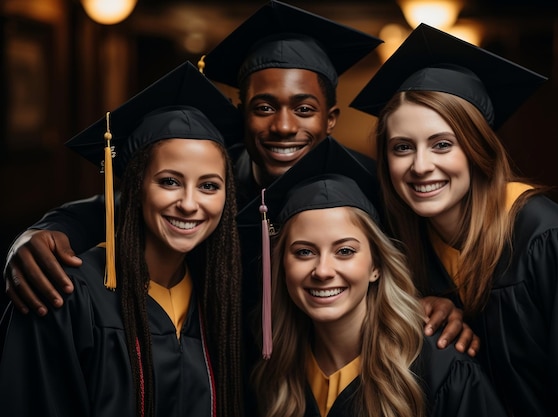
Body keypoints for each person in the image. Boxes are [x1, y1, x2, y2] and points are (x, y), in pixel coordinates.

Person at [3, 1, 476, 355]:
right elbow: (118, 211)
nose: (285, 127)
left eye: (304, 110)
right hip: (223, 377)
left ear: (331, 119)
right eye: (264, 108)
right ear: (241, 114)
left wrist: (440, 303)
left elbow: (419, 267)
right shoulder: (211, 182)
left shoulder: (371, 189)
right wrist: (41, 233)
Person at [350, 23, 558, 416]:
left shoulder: (546, 238)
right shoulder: (407, 243)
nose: (421, 166)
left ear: (477, 149)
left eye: (442, 144)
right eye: (402, 147)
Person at [0, 61, 244, 417]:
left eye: (209, 186)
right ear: (134, 188)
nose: (190, 204)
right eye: (169, 181)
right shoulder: (67, 294)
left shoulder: (219, 296)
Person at [251, 170, 507, 417]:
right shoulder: (272, 367)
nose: (323, 271)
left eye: (345, 251)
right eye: (304, 252)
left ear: (376, 266)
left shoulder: (437, 366)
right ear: (282, 265)